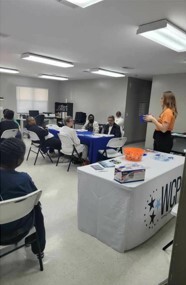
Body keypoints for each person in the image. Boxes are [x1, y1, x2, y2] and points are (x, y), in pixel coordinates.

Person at [0, 138, 46, 257]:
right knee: (37, 208)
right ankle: (39, 248)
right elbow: (36, 200)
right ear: (19, 160)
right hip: (23, 229)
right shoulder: (24, 179)